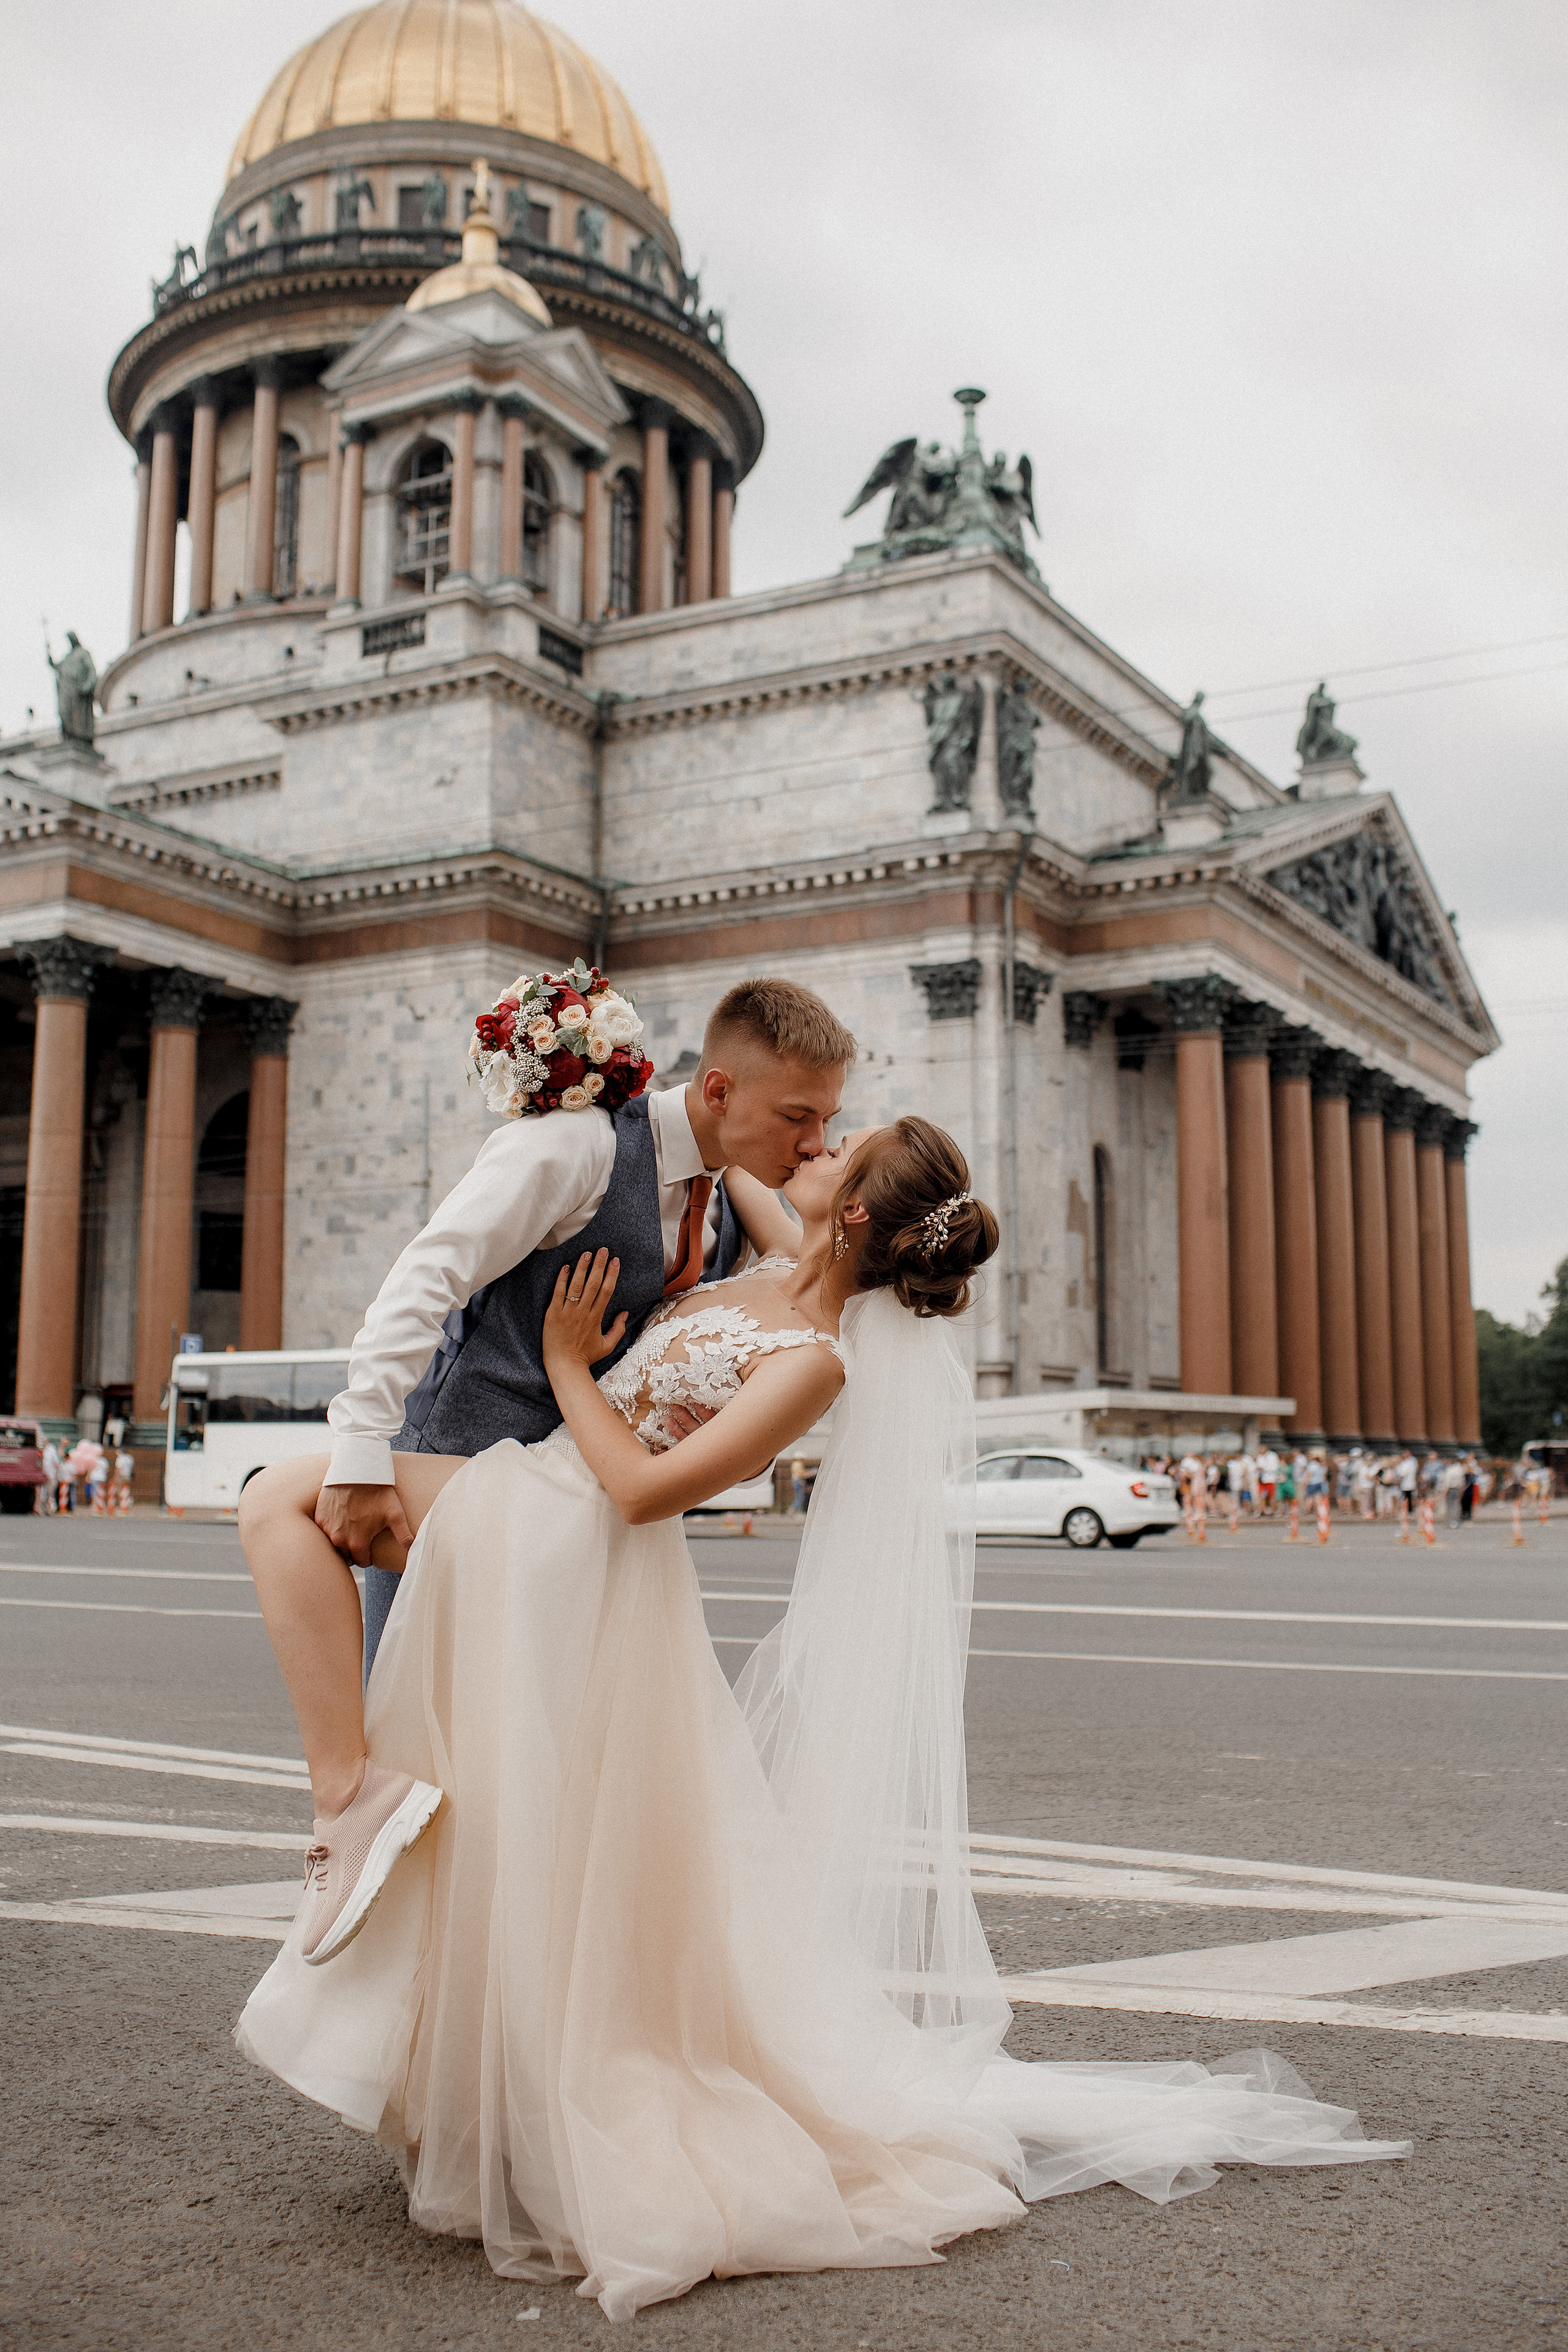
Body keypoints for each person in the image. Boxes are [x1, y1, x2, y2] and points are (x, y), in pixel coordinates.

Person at [236, 1108, 1407, 2316]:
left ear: (852, 1211)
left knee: (285, 1509)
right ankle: (462, 2073)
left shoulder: (812, 1358)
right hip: (544, 1520)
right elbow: (726, 1144)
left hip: (573, 1532)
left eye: (838, 1147)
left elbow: (642, 1491)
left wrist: (573, 1363)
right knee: (530, 1830)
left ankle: (352, 1806)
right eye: (822, 1125)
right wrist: (593, 1080)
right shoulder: (769, 1248)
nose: (818, 1141)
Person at [1256, 1442, 1280, 1516]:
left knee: (1271, 1496)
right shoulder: (1260, 1457)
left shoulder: (1272, 1456)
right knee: (1262, 1496)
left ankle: (1272, 1510)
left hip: (1271, 1479)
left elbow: (1275, 1467)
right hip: (1262, 1480)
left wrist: (1264, 1468)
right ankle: (1262, 1510)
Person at [111, 1447, 135, 1514]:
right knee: (126, 1489)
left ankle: (122, 1505)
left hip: (122, 1476)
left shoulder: (120, 1458)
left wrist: (115, 1477)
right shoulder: (130, 1458)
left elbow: (118, 1469)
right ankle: (129, 1500)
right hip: (128, 1475)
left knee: (119, 1490)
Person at [40, 1438, 59, 1517]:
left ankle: (51, 1509)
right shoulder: (40, 1449)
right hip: (42, 1475)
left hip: (51, 1474)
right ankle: (43, 1509)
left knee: (50, 1493)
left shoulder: (52, 1449)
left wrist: (56, 1475)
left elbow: (56, 1462)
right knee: (43, 1493)